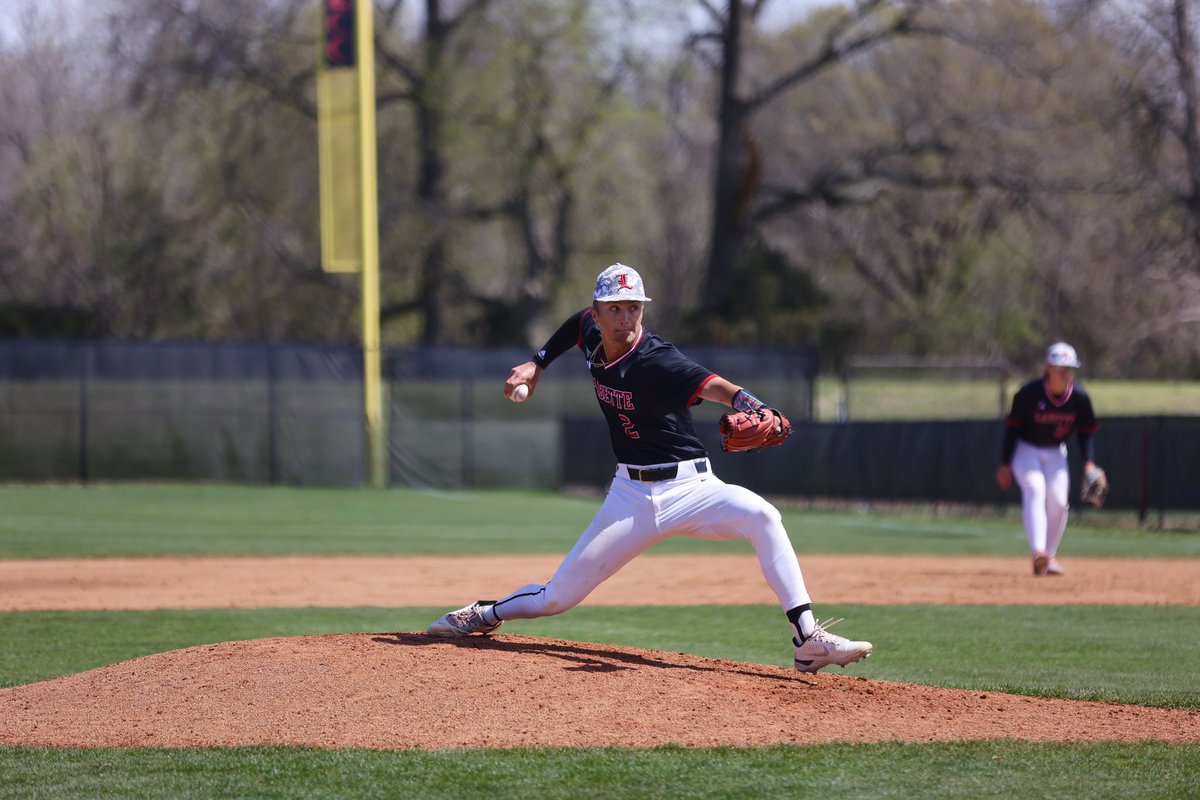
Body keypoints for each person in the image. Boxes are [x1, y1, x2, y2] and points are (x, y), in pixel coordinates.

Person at [427, 263, 873, 673]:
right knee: (555, 598)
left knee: (764, 516)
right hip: (632, 497)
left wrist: (751, 404)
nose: (625, 318)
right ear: (598, 312)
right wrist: (537, 363)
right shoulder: (590, 329)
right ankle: (483, 614)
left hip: (693, 488)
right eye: (615, 308)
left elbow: (716, 385)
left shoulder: (657, 359)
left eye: (634, 308)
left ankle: (806, 638)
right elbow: (572, 327)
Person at [995, 342, 1099, 576]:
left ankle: (1049, 557)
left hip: (1055, 452)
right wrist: (1004, 463)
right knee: (1035, 488)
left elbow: (1086, 432)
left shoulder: (1080, 397)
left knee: (1060, 503)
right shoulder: (1028, 394)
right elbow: (1012, 429)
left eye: (1069, 368)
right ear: (1048, 368)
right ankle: (1038, 552)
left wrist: (1089, 462)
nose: (1065, 373)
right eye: (1060, 367)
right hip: (1026, 450)